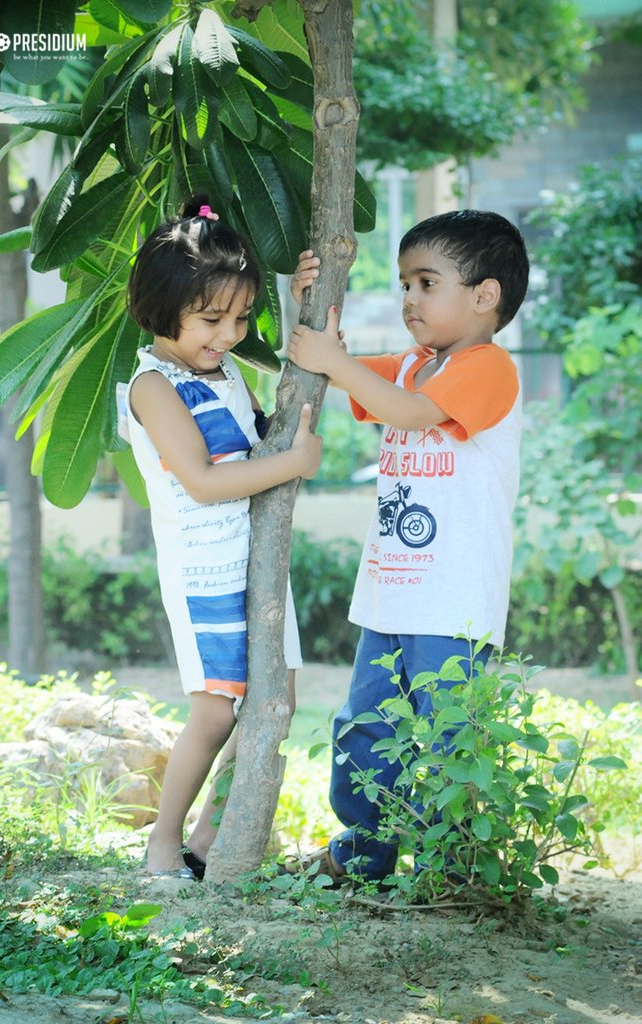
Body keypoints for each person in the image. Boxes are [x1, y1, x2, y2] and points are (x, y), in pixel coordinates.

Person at [286, 210, 529, 883]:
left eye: (426, 283)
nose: (408, 300)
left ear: (484, 296)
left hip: (451, 604)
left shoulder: (488, 368)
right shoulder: (410, 366)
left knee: (450, 738)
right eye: (403, 285)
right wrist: (303, 304)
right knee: (364, 731)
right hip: (391, 595)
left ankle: (452, 870)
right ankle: (364, 855)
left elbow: (412, 414)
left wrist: (334, 361)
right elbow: (325, 364)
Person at [119, 196, 323, 877]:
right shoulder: (153, 386)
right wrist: (293, 463)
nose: (229, 334)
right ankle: (160, 847)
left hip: (257, 563)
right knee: (215, 712)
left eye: (240, 318)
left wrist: (302, 305)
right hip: (207, 571)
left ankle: (212, 844)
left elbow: (265, 426)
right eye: (211, 319)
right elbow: (204, 480)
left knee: (274, 703)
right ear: (161, 305)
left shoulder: (225, 368)